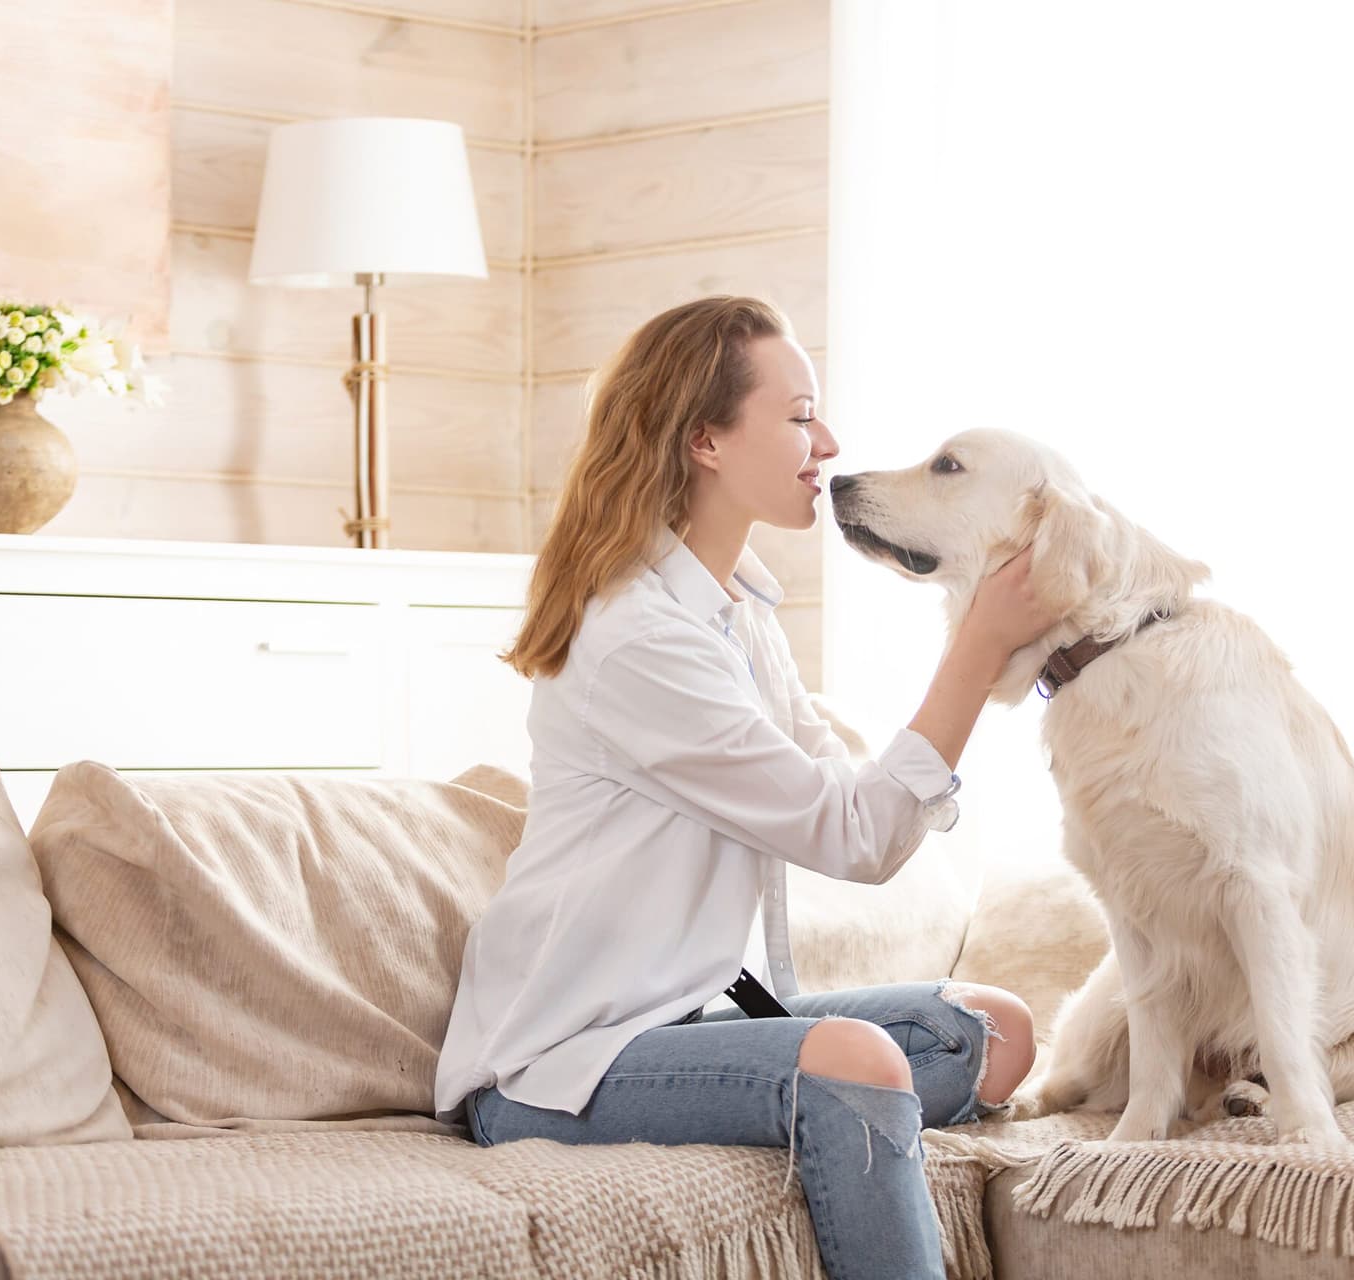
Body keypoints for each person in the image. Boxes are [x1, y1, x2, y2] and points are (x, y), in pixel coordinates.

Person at [432, 295, 1059, 1278]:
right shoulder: (639, 635)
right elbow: (852, 835)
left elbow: (846, 791)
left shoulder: (737, 607)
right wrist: (977, 645)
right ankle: (826, 1107)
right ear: (707, 441)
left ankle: (805, 1104)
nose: (831, 440)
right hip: (559, 1061)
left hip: (687, 1015)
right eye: (801, 413)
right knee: (859, 1059)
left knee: (993, 1031)